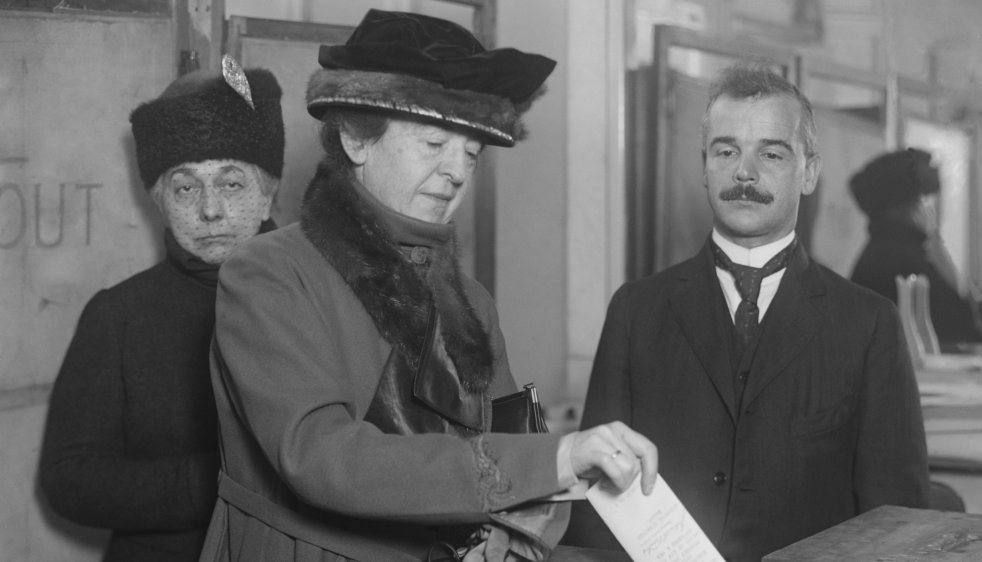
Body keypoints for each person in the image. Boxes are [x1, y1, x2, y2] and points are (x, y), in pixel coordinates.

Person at [199, 9, 656, 562]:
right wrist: (553, 462)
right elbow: (320, 460)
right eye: (434, 143)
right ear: (355, 140)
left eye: (471, 153)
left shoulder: (473, 301)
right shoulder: (269, 272)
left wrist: (518, 536)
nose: (457, 172)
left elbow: (519, 443)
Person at [562, 61, 930, 561]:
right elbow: (594, 512)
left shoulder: (867, 323)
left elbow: (899, 524)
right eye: (726, 150)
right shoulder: (637, 311)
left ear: (810, 172)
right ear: (704, 167)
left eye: (771, 154)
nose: (744, 173)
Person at [38, 59, 285, 562]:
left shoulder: (318, 298)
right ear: (159, 201)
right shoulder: (119, 316)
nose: (210, 210)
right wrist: (226, 481)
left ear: (267, 196)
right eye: (186, 187)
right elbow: (69, 477)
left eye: (232, 184)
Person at [849, 148, 982, 346]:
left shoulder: (887, 251)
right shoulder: (901, 259)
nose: (930, 210)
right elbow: (963, 327)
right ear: (904, 209)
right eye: (923, 200)